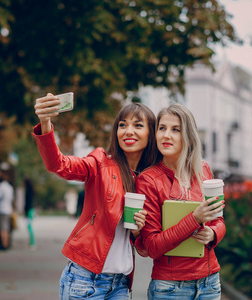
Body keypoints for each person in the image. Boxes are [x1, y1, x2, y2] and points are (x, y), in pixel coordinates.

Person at [33, 92, 157, 299]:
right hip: (85, 279)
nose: (128, 131)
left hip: (120, 283)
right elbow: (59, 164)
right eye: (122, 125)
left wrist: (137, 232)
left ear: (151, 134)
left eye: (138, 125)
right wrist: (45, 121)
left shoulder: (149, 179)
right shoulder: (100, 162)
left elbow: (145, 248)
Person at [135, 103, 226, 300]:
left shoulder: (203, 170)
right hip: (170, 288)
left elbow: (219, 221)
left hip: (209, 283)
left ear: (189, 137)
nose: (166, 135)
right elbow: (152, 247)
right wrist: (194, 219)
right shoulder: (148, 180)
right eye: (162, 128)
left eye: (175, 129)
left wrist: (213, 233)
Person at [24, 177, 36, 250]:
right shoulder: (31, 191)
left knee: (29, 227)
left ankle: (32, 243)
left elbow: (27, 203)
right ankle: (31, 242)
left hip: (29, 210)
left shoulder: (28, 191)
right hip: (31, 210)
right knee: (29, 227)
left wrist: (25, 211)